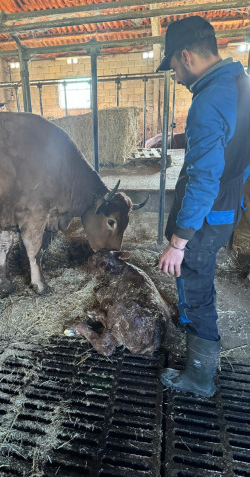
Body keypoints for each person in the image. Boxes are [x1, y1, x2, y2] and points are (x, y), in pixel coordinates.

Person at [157, 16, 250, 397]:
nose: (176, 76)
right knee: (198, 276)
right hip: (229, 203)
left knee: (193, 277)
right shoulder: (240, 83)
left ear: (186, 56)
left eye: (175, 68)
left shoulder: (208, 100)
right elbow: (229, 142)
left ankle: (198, 377)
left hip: (208, 211)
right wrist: (180, 138)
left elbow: (203, 178)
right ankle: (191, 324)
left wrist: (179, 241)